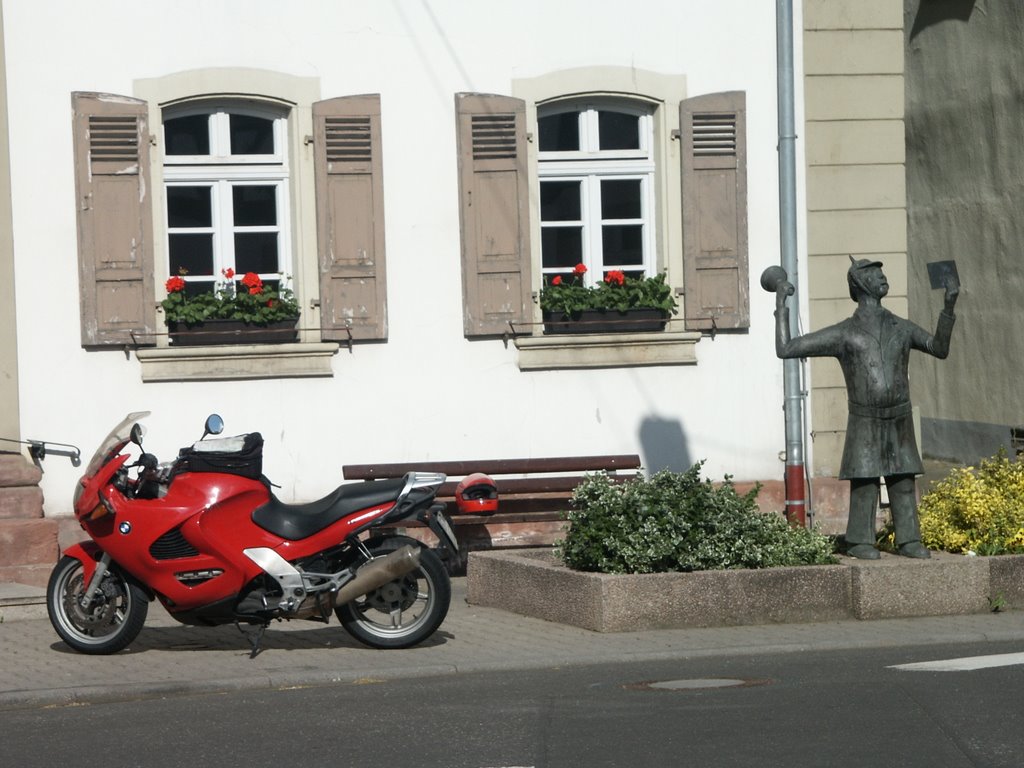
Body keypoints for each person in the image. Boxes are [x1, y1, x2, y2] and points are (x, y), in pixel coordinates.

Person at [774, 257, 959, 559]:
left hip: (899, 416)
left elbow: (939, 348)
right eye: (875, 274)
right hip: (864, 417)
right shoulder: (845, 332)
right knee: (865, 482)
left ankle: (909, 539)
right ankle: (859, 540)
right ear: (859, 284)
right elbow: (786, 348)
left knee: (902, 478)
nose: (883, 277)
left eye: (882, 273)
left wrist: (948, 307)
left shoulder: (901, 326)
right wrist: (781, 304)